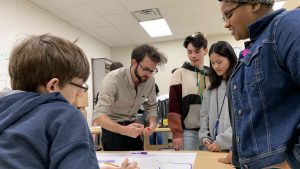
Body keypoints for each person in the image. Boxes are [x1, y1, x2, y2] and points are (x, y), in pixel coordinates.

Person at [0, 34, 139, 169]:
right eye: (79, 85)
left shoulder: (6, 109)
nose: (80, 93)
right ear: (53, 86)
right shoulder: (65, 115)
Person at [217, 0, 300, 168]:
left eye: (228, 14)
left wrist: (293, 161)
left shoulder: (288, 26)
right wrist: (241, 151)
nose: (226, 24)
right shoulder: (254, 47)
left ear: (255, 4)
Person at [93, 44, 167, 151]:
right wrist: (124, 130)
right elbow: (98, 115)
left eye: (152, 70)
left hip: (133, 126)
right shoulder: (113, 79)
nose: (149, 74)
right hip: (112, 130)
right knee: (119, 166)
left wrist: (152, 123)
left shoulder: (150, 80)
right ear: (134, 62)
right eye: (146, 69)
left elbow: (151, 106)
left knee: (139, 161)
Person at [168, 32, 210, 150]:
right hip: (188, 133)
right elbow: (173, 105)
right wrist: (176, 133)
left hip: (209, 133)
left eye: (197, 51)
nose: (193, 55)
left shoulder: (212, 75)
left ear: (205, 51)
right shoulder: (179, 73)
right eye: (189, 51)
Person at [199, 41, 237, 152]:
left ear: (230, 59)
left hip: (233, 148)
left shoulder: (238, 84)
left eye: (219, 62)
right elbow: (204, 114)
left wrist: (222, 141)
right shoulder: (211, 87)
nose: (216, 66)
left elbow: (241, 120)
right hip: (213, 147)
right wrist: (204, 136)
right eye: (212, 63)